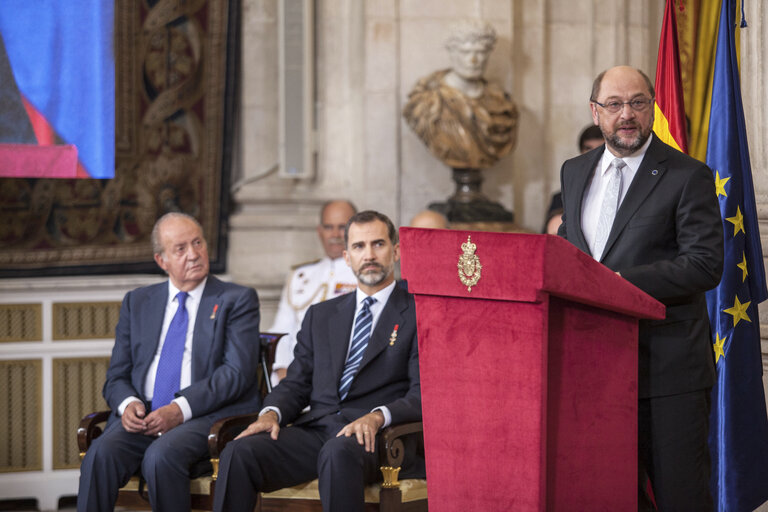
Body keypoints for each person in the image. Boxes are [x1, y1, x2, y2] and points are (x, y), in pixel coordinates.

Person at [557, 65, 723, 511]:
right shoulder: (574, 171)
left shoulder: (688, 175)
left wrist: (617, 284)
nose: (626, 114)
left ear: (652, 107)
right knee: (611, 498)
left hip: (668, 374)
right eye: (614, 104)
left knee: (680, 499)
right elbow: (572, 248)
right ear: (596, 112)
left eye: (637, 103)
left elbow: (705, 264)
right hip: (594, 373)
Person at [213, 210, 422, 512]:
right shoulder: (321, 315)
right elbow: (297, 384)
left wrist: (378, 416)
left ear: (397, 251)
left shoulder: (416, 313)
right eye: (359, 247)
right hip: (319, 429)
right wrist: (271, 413)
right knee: (239, 452)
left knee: (337, 452)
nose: (369, 255)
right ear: (347, 256)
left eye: (378, 244)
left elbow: (421, 393)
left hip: (378, 437)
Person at [77, 212, 261, 512]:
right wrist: (128, 405)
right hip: (145, 414)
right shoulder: (137, 302)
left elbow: (236, 374)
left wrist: (179, 409)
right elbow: (116, 375)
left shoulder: (236, 299)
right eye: (180, 248)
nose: (194, 254)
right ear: (161, 260)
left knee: (161, 456)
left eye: (198, 243)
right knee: (100, 454)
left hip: (206, 414)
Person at [402, 19, 518, 169]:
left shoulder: (503, 103)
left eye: (480, 52)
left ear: (489, 54)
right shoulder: (427, 103)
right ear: (451, 53)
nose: (473, 60)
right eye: (465, 52)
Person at [269, 200, 358, 384]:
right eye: (328, 227)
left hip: (338, 380)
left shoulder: (363, 276)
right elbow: (281, 331)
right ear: (319, 231)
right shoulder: (300, 275)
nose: (334, 234)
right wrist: (282, 370)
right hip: (291, 378)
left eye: (342, 227)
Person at [544, 125, 604, 234]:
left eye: (599, 149)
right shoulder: (560, 198)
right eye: (588, 149)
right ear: (581, 152)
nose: (593, 155)